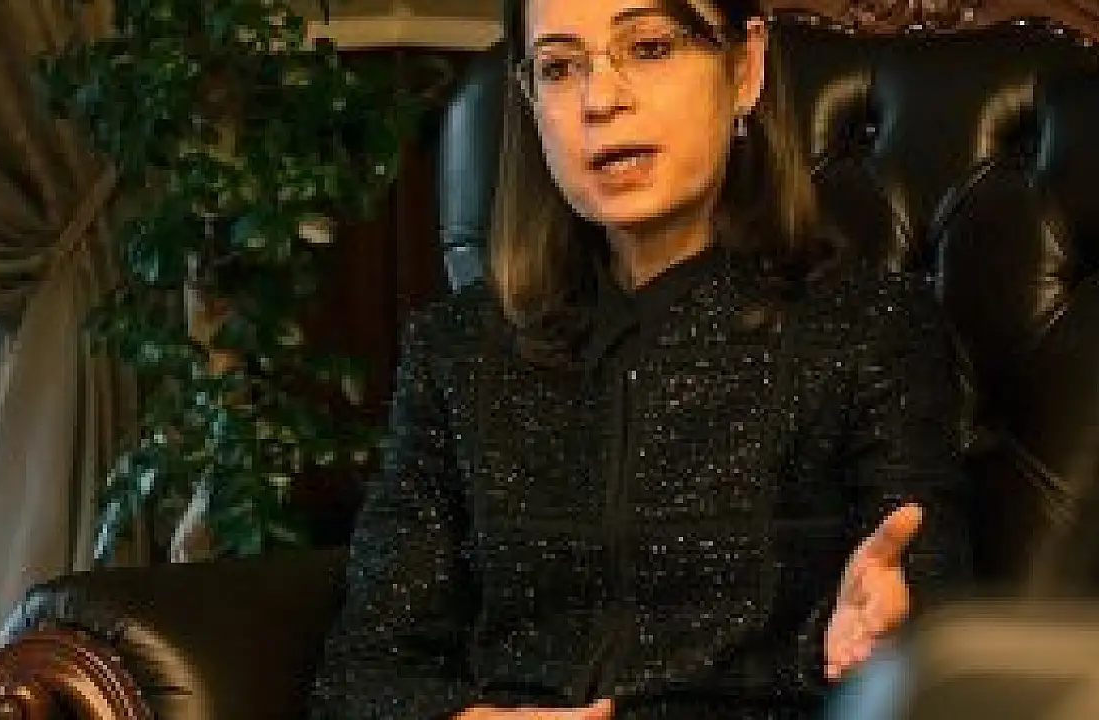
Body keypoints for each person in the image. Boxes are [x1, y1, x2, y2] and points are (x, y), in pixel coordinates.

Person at [310, 0, 972, 717]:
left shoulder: (870, 329)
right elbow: (366, 665)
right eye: (559, 68)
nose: (600, 101)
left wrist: (875, 643)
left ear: (744, 67)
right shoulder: (457, 347)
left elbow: (928, 609)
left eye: (650, 47)